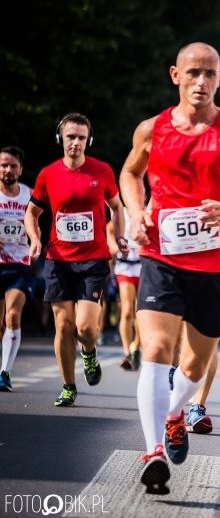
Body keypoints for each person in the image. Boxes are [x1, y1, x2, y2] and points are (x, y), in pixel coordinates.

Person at [119, 42, 220, 495]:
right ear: (176, 75)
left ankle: (174, 414)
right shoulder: (151, 130)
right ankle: (152, 452)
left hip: (216, 265)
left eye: (210, 73)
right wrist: (136, 212)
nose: (201, 81)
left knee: (194, 364)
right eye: (193, 73)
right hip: (162, 256)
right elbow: (130, 174)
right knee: (156, 347)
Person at [24, 113, 129, 407]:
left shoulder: (102, 171)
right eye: (71, 137)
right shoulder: (48, 174)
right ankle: (69, 386)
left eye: (81, 137)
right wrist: (35, 239)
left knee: (85, 328)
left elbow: (116, 208)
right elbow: (32, 213)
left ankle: (89, 352)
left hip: (94, 260)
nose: (76, 143)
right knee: (63, 326)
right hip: (58, 259)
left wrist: (118, 236)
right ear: (61, 139)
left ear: (88, 140)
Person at [0, 146, 35, 392]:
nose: (8, 169)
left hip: (19, 265)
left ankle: (5, 373)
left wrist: (36, 240)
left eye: (13, 165)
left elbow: (35, 224)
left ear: (21, 169)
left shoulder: (29, 195)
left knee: (12, 315)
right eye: (3, 165)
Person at [107, 212, 142, 370]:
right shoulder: (123, 211)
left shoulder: (147, 209)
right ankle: (127, 352)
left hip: (144, 267)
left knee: (141, 311)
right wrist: (114, 247)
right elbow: (109, 229)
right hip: (125, 267)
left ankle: (136, 346)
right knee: (127, 310)